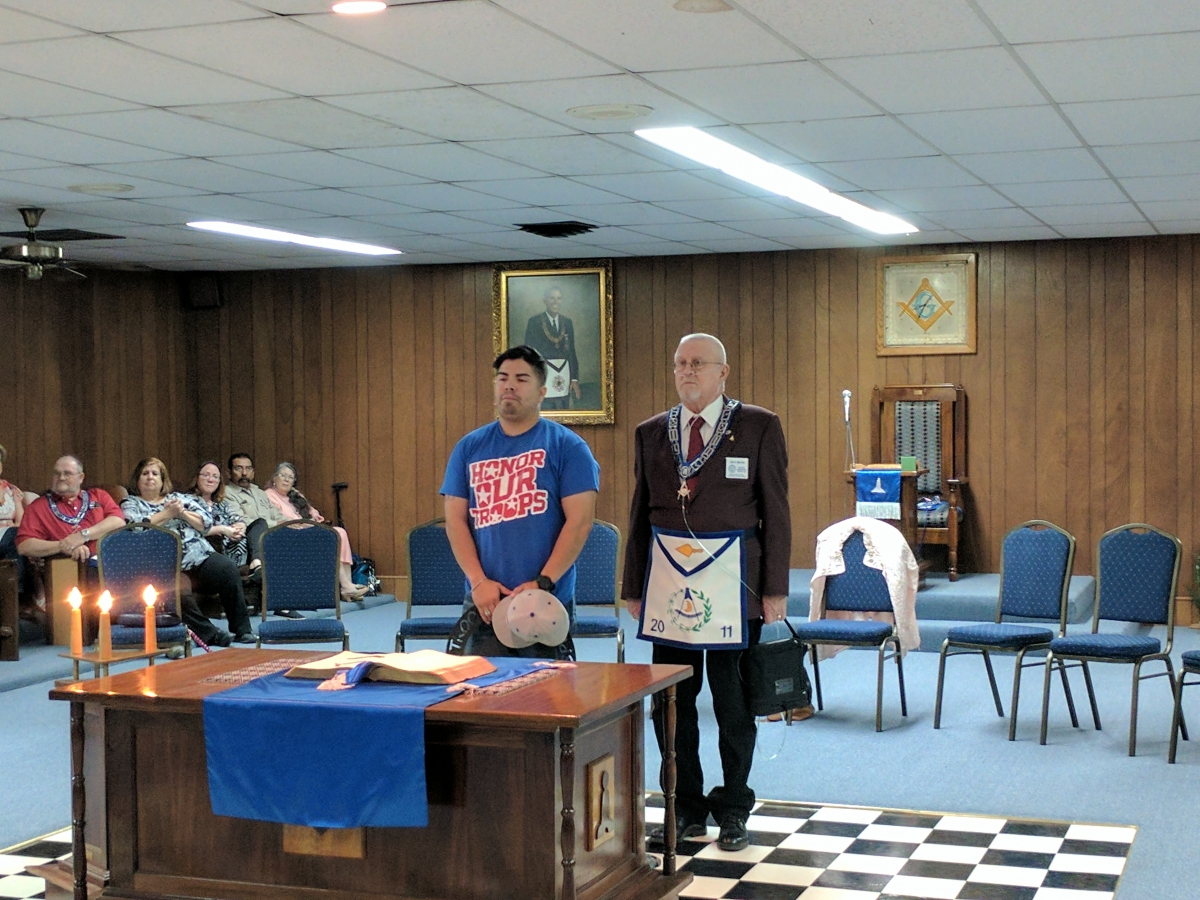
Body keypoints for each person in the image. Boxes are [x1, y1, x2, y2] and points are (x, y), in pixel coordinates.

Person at [622, 333, 791, 853]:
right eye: (680, 363)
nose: (687, 371)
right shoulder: (652, 432)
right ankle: (686, 807)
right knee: (672, 703)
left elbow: (777, 511)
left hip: (734, 589)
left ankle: (735, 806)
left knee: (733, 703)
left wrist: (775, 588)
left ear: (723, 372)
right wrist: (633, 585)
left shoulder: (758, 426)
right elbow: (639, 513)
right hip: (669, 588)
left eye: (698, 363)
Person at [441, 345, 599, 657]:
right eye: (503, 378)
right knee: (481, 685)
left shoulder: (569, 447)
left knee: (547, 686)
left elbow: (579, 523)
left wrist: (543, 581)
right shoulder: (468, 448)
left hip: (545, 598)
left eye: (521, 379)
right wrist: (478, 582)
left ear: (542, 392)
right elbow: (455, 521)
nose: (509, 386)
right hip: (484, 599)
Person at [121, 457, 255, 646]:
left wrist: (182, 513)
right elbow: (135, 527)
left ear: (163, 480)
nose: (150, 477)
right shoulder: (131, 503)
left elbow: (206, 523)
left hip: (199, 556)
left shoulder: (178, 498)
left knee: (227, 568)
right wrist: (168, 514)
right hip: (167, 566)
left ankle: (242, 630)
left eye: (155, 474)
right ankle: (211, 634)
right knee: (177, 592)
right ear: (137, 479)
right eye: (145, 473)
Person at [263, 462, 368, 602]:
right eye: (283, 475)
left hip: (308, 530)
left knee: (340, 532)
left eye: (291, 477)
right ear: (274, 477)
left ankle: (347, 586)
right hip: (290, 535)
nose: (286, 480)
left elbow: (313, 512)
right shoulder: (269, 495)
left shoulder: (295, 494)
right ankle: (346, 587)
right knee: (331, 536)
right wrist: (305, 523)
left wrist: (313, 518)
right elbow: (280, 520)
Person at [16, 455, 125, 563]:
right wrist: (63, 546)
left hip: (108, 562)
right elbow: (24, 546)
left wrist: (83, 536)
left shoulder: (98, 495)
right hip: (66, 566)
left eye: (67, 473)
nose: (61, 478)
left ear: (81, 477)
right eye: (57, 473)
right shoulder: (38, 507)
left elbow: (118, 522)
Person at [522, 286, 581, 410]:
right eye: (552, 298)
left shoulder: (567, 322)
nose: (555, 302)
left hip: (564, 375)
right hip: (544, 375)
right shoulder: (535, 322)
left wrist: (574, 378)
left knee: (564, 411)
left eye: (559, 298)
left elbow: (571, 351)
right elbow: (529, 353)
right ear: (545, 300)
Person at [189, 461, 252, 571]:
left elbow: (237, 519)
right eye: (206, 475)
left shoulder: (222, 504)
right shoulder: (188, 501)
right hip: (205, 552)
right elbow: (192, 529)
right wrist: (223, 530)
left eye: (215, 476)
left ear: (219, 482)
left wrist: (239, 527)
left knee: (259, 524)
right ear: (197, 478)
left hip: (231, 550)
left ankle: (255, 564)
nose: (210, 480)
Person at [223, 453, 282, 564]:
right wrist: (276, 524)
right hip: (249, 542)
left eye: (248, 468)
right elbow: (241, 521)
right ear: (229, 473)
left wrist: (296, 523)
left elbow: (277, 515)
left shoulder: (260, 493)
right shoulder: (226, 493)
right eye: (238, 468)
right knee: (260, 523)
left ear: (253, 472)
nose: (244, 473)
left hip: (274, 537)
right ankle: (256, 564)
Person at [0, 443, 26, 580]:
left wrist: (17, 502)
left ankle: (15, 587)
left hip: (11, 534)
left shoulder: (10, 489)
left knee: (20, 537)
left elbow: (21, 522)